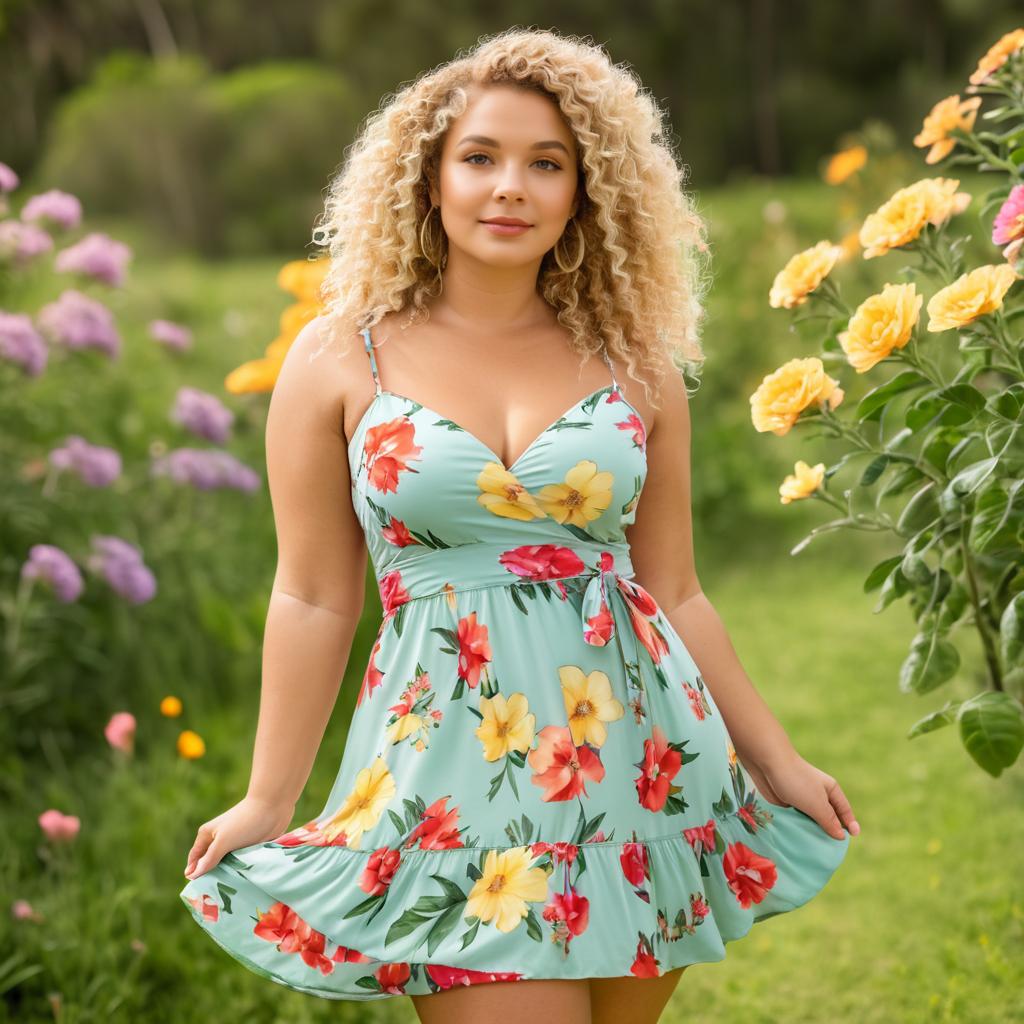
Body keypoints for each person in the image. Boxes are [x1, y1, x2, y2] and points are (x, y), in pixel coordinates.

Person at [180, 26, 858, 1023]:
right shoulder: (338, 360)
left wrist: (774, 760)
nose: (511, 187)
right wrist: (269, 797)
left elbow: (674, 589)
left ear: (585, 192)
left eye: (547, 164)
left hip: (643, 768)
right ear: (430, 176)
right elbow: (314, 594)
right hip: (451, 783)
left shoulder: (635, 362)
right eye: (481, 158)